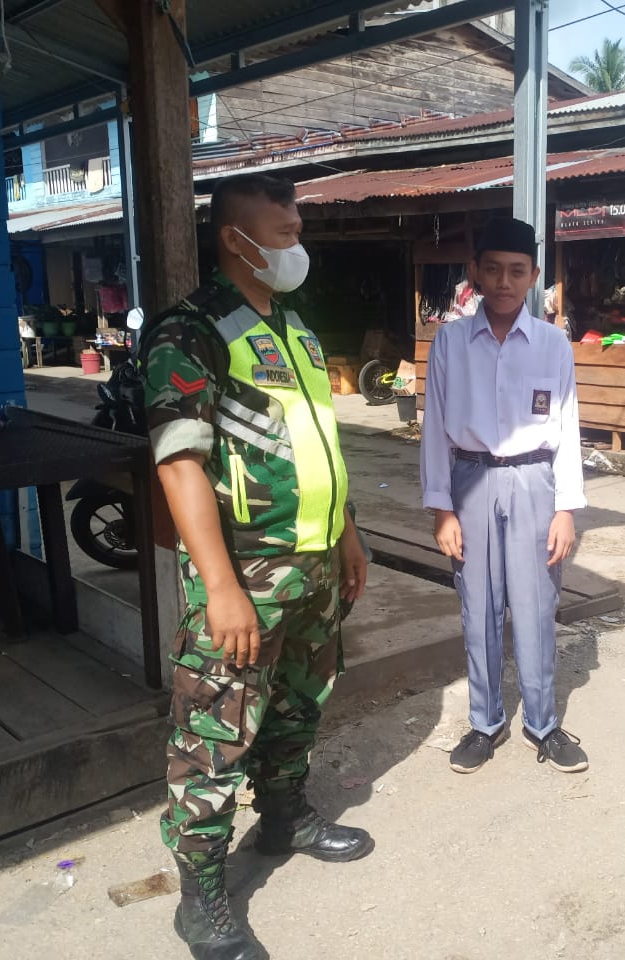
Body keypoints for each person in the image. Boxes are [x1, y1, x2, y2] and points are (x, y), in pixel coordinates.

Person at [142, 172, 371, 960]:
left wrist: (344, 531)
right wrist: (219, 587)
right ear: (233, 240)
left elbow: (317, 442)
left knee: (299, 702)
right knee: (214, 728)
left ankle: (284, 817)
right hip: (246, 571)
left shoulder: (294, 325)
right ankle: (200, 895)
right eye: (281, 235)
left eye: (296, 229)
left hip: (311, 563)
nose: (295, 246)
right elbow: (180, 467)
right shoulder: (191, 331)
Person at [420, 217, 589, 776]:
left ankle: (543, 723)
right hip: (470, 480)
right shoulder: (449, 341)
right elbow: (435, 425)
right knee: (479, 607)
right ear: (474, 273)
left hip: (535, 483)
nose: (504, 281)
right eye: (492, 269)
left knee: (538, 605)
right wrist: (442, 508)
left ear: (534, 276)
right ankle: (485, 722)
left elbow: (568, 425)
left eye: (517, 271)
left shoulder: (552, 344)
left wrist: (566, 508)